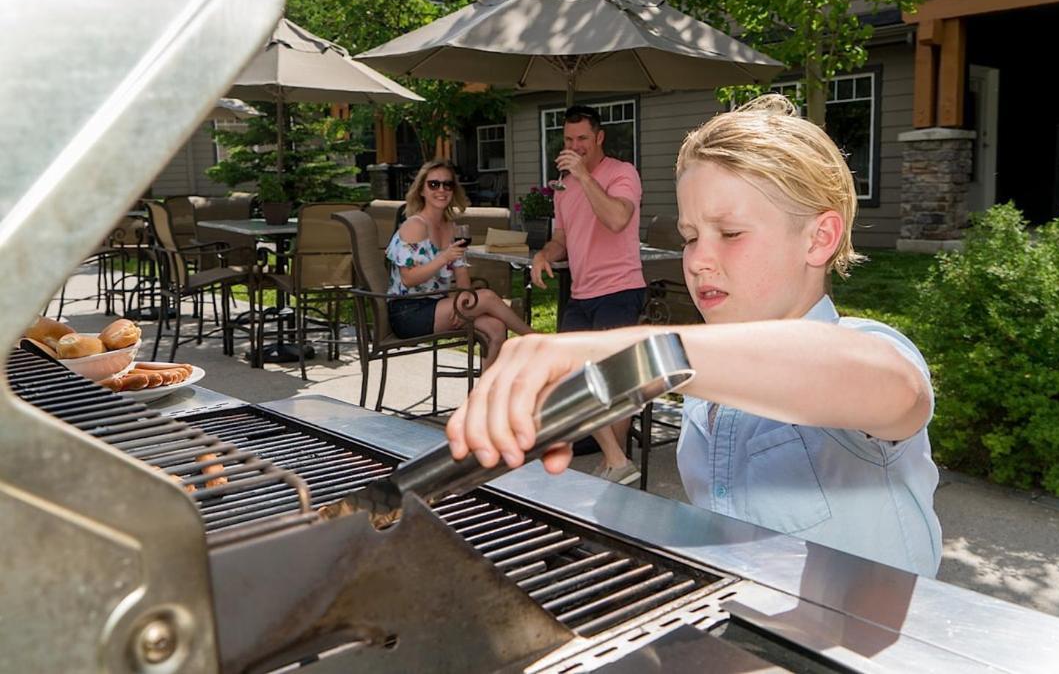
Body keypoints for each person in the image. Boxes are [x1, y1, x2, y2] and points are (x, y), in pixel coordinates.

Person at [445, 95, 943, 577]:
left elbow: (895, 386)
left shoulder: (871, 350)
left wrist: (628, 353)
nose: (699, 259)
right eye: (689, 237)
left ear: (819, 238)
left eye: (729, 234)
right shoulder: (706, 394)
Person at [530, 105, 647, 485]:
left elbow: (617, 218)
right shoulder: (564, 186)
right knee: (570, 375)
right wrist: (544, 254)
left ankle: (616, 461)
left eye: (582, 138)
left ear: (599, 138)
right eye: (568, 139)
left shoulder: (621, 173)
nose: (574, 146)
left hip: (620, 289)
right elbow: (562, 238)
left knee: (614, 382)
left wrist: (583, 175)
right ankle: (617, 460)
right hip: (581, 293)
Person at [386, 159, 534, 365]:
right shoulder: (415, 225)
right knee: (488, 297)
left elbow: (462, 275)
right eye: (434, 184)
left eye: (448, 184)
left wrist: (462, 305)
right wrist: (444, 258)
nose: (441, 190)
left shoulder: (451, 228)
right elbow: (409, 278)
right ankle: (536, 340)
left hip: (439, 305)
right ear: (421, 190)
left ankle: (483, 394)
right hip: (409, 312)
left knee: (496, 328)